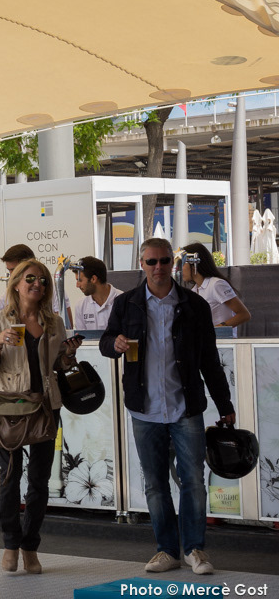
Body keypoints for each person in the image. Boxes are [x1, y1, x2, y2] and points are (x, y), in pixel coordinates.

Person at [100, 238, 235, 576]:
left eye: (164, 261)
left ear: (173, 264)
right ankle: (166, 550)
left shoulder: (194, 305)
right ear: (141, 264)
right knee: (155, 483)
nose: (158, 267)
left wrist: (225, 405)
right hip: (143, 408)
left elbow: (210, 360)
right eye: (151, 262)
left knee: (193, 481)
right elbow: (106, 341)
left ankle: (194, 549)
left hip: (185, 406)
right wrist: (114, 343)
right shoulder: (127, 303)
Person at [0, 259, 79, 573]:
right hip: (10, 407)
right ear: (17, 284)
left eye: (43, 280)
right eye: (31, 279)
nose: (38, 284)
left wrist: (68, 354)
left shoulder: (54, 322)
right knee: (9, 479)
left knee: (39, 482)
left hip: (46, 407)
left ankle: (30, 547)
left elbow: (57, 365)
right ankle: (10, 544)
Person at [181, 242, 251, 335]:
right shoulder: (194, 290)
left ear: (194, 264)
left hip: (222, 342)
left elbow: (244, 314)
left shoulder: (216, 284)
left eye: (182, 264)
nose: (180, 269)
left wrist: (216, 329)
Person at [74, 256, 122, 331]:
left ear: (93, 279)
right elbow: (82, 337)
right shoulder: (80, 306)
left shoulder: (123, 301)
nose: (77, 285)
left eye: (80, 280)